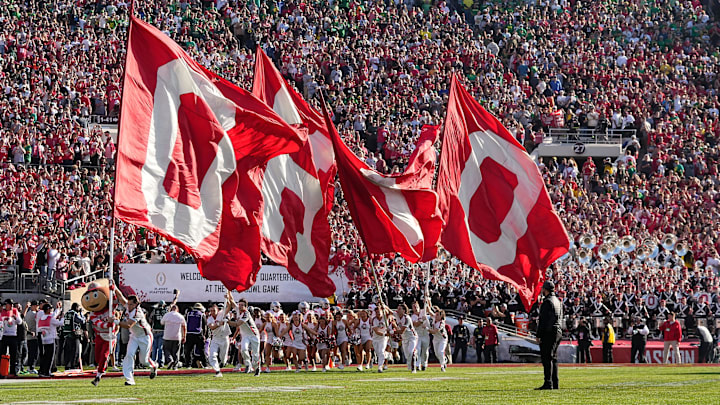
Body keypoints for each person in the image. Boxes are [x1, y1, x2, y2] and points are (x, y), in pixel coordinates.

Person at [115, 289, 158, 386]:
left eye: (131, 305)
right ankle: (129, 379)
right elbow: (121, 298)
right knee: (129, 354)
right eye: (128, 304)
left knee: (144, 361)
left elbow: (128, 325)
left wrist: (115, 321)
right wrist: (114, 287)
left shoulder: (137, 312)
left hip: (144, 336)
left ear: (136, 304)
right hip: (134, 336)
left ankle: (154, 366)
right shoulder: (129, 307)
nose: (128, 306)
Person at [83, 282, 119, 386]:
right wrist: (107, 324)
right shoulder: (93, 313)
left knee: (104, 355)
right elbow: (97, 323)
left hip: (109, 335)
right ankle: (102, 367)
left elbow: (116, 301)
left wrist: (113, 290)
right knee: (98, 356)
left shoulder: (109, 307)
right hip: (100, 334)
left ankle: (98, 375)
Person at [536, 280, 562, 390]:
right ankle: (555, 382)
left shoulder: (547, 302)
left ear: (545, 290)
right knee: (553, 358)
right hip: (558, 331)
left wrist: (539, 335)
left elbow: (543, 320)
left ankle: (548, 382)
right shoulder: (557, 301)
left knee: (546, 358)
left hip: (549, 332)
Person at [228, 295, 261, 376]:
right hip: (245, 335)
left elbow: (237, 324)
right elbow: (232, 301)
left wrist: (227, 321)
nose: (240, 306)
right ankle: (248, 365)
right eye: (239, 304)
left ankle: (257, 368)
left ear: (246, 306)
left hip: (253, 335)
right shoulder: (238, 310)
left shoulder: (246, 314)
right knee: (243, 349)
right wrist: (228, 292)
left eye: (242, 305)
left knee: (255, 354)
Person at [36, 302, 64, 377]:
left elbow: (54, 315)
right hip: (51, 339)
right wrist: (63, 317)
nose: (51, 310)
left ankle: (43, 371)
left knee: (45, 356)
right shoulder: (50, 318)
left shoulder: (42, 317)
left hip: (44, 339)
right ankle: (47, 371)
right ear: (48, 310)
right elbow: (60, 323)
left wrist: (58, 309)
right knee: (50, 356)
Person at [207, 295, 231, 377]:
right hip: (216, 338)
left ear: (217, 310)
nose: (213, 312)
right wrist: (218, 324)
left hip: (224, 338)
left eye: (214, 310)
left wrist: (227, 299)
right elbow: (212, 327)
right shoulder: (209, 319)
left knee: (223, 357)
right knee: (212, 355)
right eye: (211, 311)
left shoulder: (222, 313)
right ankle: (217, 371)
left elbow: (229, 307)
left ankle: (223, 363)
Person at [0, 298, 22, 377]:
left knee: (14, 354)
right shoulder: (2, 311)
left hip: (13, 335)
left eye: (12, 304)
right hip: (5, 335)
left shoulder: (15, 311)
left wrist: (15, 317)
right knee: (3, 353)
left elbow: (20, 322)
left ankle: (13, 371)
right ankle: (2, 370)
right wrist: (4, 319)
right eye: (10, 304)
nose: (11, 306)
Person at [160, 304, 186, 370]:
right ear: (177, 309)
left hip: (167, 336)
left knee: (166, 350)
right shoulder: (180, 316)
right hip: (177, 337)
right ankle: (175, 366)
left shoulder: (167, 315)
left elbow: (161, 323)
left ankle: (170, 360)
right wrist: (184, 336)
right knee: (176, 352)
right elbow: (184, 326)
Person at [62, 303, 85, 371]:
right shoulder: (74, 314)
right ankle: (73, 365)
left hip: (67, 334)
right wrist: (81, 314)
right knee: (75, 351)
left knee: (68, 351)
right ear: (76, 307)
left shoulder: (67, 313)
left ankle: (67, 365)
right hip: (74, 334)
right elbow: (82, 321)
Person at [395, 303, 418, 373]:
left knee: (411, 352)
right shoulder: (396, 315)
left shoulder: (407, 318)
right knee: (407, 355)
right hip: (404, 338)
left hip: (412, 337)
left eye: (399, 309)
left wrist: (392, 332)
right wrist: (383, 305)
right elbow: (388, 311)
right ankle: (411, 365)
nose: (397, 310)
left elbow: (402, 331)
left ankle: (414, 368)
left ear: (404, 311)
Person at [184, 303, 207, 368]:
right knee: (202, 350)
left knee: (188, 351)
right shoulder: (201, 314)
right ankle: (205, 364)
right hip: (198, 334)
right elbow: (204, 326)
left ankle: (188, 365)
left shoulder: (188, 314)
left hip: (189, 333)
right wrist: (204, 335)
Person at [411, 301, 431, 371]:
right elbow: (416, 324)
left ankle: (424, 364)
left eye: (416, 306)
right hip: (418, 335)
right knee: (418, 350)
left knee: (425, 351)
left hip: (425, 334)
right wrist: (422, 320)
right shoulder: (412, 316)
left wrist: (427, 301)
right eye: (414, 307)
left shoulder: (423, 311)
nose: (416, 308)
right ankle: (417, 364)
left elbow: (429, 309)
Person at [428, 307, 449, 372]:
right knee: (437, 354)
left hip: (442, 339)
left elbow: (434, 331)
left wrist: (426, 329)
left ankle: (442, 366)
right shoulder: (435, 318)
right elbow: (429, 311)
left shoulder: (441, 323)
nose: (435, 316)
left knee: (440, 351)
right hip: (436, 339)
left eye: (437, 315)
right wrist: (427, 300)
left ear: (441, 316)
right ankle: (444, 359)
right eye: (436, 314)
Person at [24, 301, 40, 374]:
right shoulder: (33, 314)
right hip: (33, 335)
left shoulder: (28, 313)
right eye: (37, 306)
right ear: (33, 306)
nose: (38, 307)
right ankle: (31, 367)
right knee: (34, 353)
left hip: (29, 336)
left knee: (31, 352)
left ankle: (29, 367)